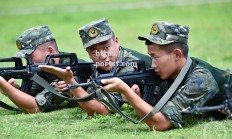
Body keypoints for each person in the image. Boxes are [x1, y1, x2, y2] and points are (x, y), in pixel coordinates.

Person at [100, 21, 232, 131]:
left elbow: (161, 123)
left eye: (156, 57)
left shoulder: (201, 79)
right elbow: (161, 107)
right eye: (150, 56)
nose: (153, 64)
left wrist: (127, 92)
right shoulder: (170, 73)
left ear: (177, 55)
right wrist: (138, 97)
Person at [38, 18, 151, 116]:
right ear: (87, 52)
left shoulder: (129, 66)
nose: (102, 56)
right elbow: (92, 98)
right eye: (94, 51)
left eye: (106, 48)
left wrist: (72, 83)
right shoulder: (97, 67)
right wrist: (70, 89)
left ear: (116, 42)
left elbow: (102, 111)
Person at [0, 26, 82, 113]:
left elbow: (35, 107)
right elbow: (30, 98)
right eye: (26, 58)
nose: (29, 61)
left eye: (31, 56)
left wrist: (5, 87)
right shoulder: (42, 69)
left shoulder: (70, 70)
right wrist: (16, 90)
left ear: (50, 51)